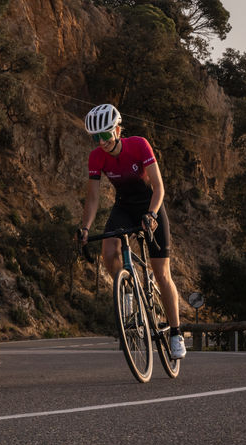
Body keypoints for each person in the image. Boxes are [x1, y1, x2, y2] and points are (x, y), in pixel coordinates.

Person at [77, 103, 186, 359]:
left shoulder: (139, 145)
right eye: (95, 137)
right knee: (108, 251)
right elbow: (92, 198)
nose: (101, 141)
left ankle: (176, 333)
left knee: (161, 273)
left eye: (105, 135)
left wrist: (151, 214)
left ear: (117, 129)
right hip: (124, 207)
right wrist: (85, 227)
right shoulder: (97, 157)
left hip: (150, 205)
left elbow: (158, 187)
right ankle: (128, 289)